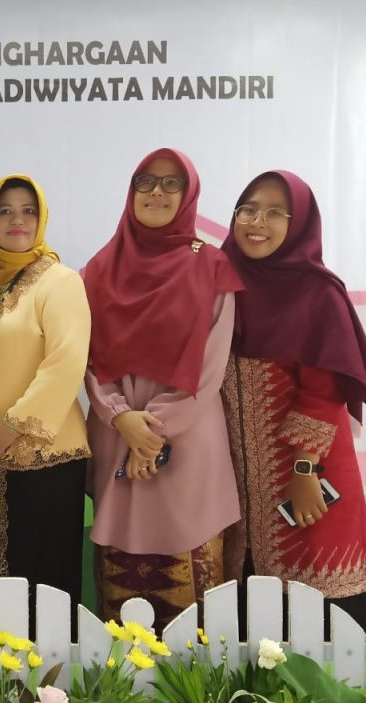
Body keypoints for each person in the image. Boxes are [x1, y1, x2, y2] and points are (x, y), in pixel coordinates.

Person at [82, 148, 244, 632]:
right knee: (120, 591)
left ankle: (194, 682)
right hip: (117, 433)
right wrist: (119, 416)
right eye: (146, 181)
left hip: (187, 439)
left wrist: (152, 431)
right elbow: (87, 359)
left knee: (193, 596)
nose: (157, 192)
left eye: (172, 183)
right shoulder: (98, 269)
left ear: (189, 195)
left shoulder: (211, 266)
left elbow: (212, 364)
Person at [219, 170, 366, 638]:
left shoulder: (317, 293)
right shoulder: (222, 286)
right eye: (248, 210)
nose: (257, 222)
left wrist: (305, 469)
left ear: (300, 224)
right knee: (254, 614)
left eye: (275, 213)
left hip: (309, 475)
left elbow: (323, 392)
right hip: (240, 484)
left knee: (322, 596)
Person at [0, 175, 90, 631]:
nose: (17, 220)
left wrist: (12, 425)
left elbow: (66, 362)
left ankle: (52, 675)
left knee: (46, 577)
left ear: (41, 219)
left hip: (47, 457)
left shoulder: (60, 281)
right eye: (6, 211)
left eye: (28, 210)